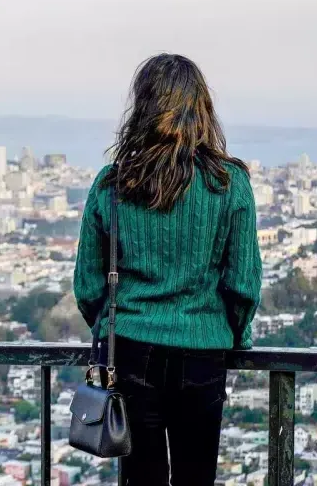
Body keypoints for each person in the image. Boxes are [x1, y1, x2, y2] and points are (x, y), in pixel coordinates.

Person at [73, 53, 262, 485]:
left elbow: (87, 284)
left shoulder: (113, 183)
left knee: (141, 476)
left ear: (141, 107)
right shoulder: (228, 184)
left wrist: (113, 324)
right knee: (197, 476)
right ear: (202, 109)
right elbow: (243, 284)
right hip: (203, 351)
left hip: (132, 348)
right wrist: (236, 335)